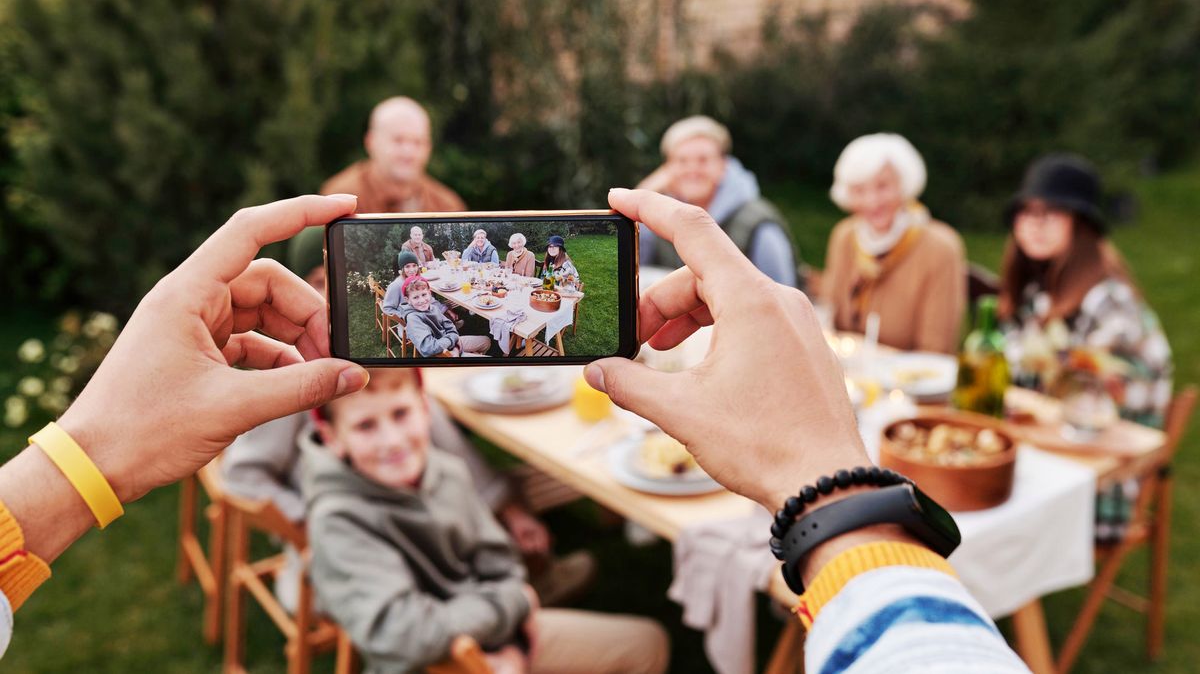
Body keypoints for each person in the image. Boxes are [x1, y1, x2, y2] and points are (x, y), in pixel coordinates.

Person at [0, 190, 1027, 672]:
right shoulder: (350, 500)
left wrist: (82, 464)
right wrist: (511, 608)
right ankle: (556, 581)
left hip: (480, 587)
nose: (396, 431)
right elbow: (400, 621)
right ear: (335, 431)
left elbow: (467, 494)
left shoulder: (428, 441)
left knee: (534, 515)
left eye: (403, 410)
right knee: (636, 634)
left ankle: (552, 566)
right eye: (375, 417)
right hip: (474, 631)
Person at [223, 230, 591, 609]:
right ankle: (514, 603)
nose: (328, 295)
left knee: (488, 490)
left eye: (336, 278)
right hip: (358, 545)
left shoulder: (374, 368)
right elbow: (242, 475)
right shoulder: (292, 373)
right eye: (317, 282)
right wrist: (311, 524)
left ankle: (525, 578)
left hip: (414, 500)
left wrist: (507, 508)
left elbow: (445, 439)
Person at [303, 368, 669, 674]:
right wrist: (512, 606)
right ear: (332, 438)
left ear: (425, 409)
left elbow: (501, 561)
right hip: (431, 663)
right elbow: (402, 636)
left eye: (401, 414)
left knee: (647, 644)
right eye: (366, 426)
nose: (393, 440)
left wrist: (514, 646)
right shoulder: (338, 520)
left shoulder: (447, 472)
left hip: (493, 635)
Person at [999, 154, 1173, 428]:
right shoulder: (1036, 287)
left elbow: (1131, 395)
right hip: (1054, 426)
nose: (1036, 223)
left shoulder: (1107, 299)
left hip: (1111, 437)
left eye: (1052, 212)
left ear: (1081, 225)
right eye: (1027, 211)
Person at [820, 133, 967, 354]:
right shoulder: (844, 236)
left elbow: (936, 350)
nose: (872, 201)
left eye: (882, 186)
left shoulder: (941, 248)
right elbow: (828, 317)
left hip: (909, 375)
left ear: (903, 185)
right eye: (859, 190)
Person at [637, 115, 803, 289]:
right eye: (681, 161)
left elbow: (783, 295)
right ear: (666, 169)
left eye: (703, 160)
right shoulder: (659, 220)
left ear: (723, 165)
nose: (692, 170)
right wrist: (646, 192)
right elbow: (629, 268)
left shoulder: (758, 226)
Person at [321, 97, 466, 213]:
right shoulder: (341, 199)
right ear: (371, 142)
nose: (408, 152)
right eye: (398, 140)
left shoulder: (447, 206)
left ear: (429, 147)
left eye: (418, 142)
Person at [401, 277, 491, 357]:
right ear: (407, 300)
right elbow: (429, 348)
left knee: (486, 341)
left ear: (429, 293)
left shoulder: (431, 307)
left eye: (424, 295)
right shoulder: (413, 319)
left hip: (450, 343)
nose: (422, 300)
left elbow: (449, 325)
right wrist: (453, 341)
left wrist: (455, 345)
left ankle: (471, 355)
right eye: (415, 297)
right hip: (443, 354)